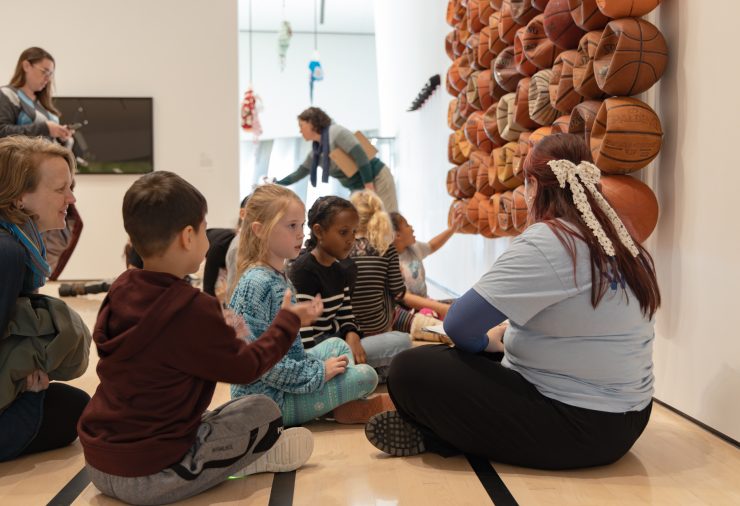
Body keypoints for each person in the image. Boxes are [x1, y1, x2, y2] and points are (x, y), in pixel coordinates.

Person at [365, 133, 661, 470]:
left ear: (533, 184)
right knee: (492, 352)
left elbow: (459, 324)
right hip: (633, 418)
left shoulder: (552, 239)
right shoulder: (622, 238)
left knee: (412, 369)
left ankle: (436, 435)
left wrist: (485, 344)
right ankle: (446, 431)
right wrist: (503, 338)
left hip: (580, 428)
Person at [77, 172, 321, 505]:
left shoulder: (121, 288)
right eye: (205, 229)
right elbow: (248, 367)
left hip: (98, 461)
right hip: (148, 475)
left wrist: (219, 331)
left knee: (228, 410)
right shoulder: (191, 307)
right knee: (263, 411)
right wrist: (287, 321)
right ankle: (251, 460)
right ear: (188, 236)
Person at [230, 184, 391, 426]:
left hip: (283, 382)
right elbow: (262, 364)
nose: (301, 234)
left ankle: (342, 407)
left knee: (336, 345)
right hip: (267, 402)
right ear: (260, 230)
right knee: (366, 376)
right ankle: (343, 406)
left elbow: (288, 350)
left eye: (301, 225)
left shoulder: (277, 274)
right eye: (291, 226)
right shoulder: (258, 283)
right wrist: (319, 373)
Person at [0, 136, 90, 461]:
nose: (71, 197)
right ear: (21, 196)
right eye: (60, 189)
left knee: (75, 405)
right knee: (75, 410)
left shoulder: (19, 240)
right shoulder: (7, 251)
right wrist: (24, 394)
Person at [0, 47, 82, 279]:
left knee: (54, 232)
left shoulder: (44, 106)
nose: (48, 78)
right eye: (44, 71)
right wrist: (45, 128)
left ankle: (38, 279)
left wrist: (64, 138)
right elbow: (2, 132)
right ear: (26, 65)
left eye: (51, 74)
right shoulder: (8, 96)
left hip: (48, 178)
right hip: (24, 180)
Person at [343, 190, 412, 381]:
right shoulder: (386, 246)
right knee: (405, 341)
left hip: (344, 333)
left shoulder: (342, 246)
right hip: (377, 328)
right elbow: (398, 292)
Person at [275, 107, 399, 212]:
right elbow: (299, 173)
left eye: (301, 125)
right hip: (358, 188)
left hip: (376, 178)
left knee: (388, 221)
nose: (300, 130)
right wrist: (277, 184)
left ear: (311, 123)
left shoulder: (336, 132)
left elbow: (360, 155)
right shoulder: (316, 153)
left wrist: (369, 186)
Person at [390, 211, 462, 319]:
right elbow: (406, 298)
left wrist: (452, 229)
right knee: (433, 317)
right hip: (407, 312)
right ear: (398, 235)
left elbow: (432, 246)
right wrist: (440, 308)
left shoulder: (414, 248)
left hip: (426, 302)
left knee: (461, 305)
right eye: (407, 225)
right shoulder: (391, 262)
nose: (412, 227)